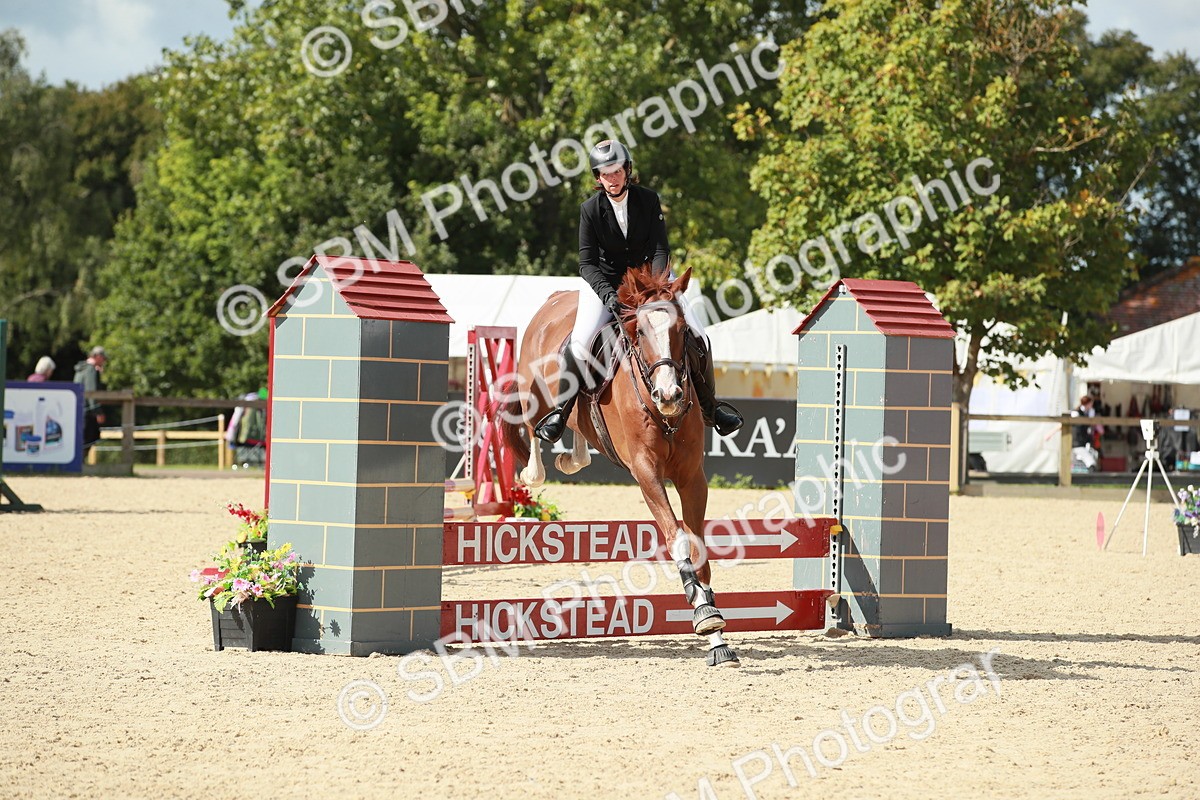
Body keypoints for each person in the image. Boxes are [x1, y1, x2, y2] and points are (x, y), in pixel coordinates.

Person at [533, 140, 744, 442]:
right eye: (606, 174)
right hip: (606, 283)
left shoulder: (648, 200)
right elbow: (587, 264)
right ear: (598, 177)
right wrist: (608, 295)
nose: (612, 178)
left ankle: (712, 409)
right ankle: (560, 412)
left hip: (651, 281)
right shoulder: (590, 210)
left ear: (627, 170)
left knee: (700, 335)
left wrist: (657, 288)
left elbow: (660, 248)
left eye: (617, 171)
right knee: (580, 343)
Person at [73, 346, 108, 451]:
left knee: (81, 441)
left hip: (79, 410)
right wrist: (98, 412)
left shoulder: (81, 369)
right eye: (103, 358)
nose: (104, 361)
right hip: (88, 412)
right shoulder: (90, 369)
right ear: (97, 356)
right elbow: (91, 391)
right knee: (89, 439)